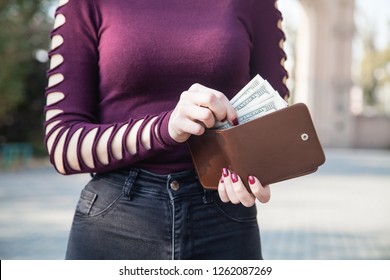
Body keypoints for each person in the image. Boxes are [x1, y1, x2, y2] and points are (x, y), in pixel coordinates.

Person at [44, 0, 289, 260]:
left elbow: (274, 124)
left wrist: (257, 167)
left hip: (224, 217)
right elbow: (62, 144)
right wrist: (165, 128)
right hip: (114, 225)